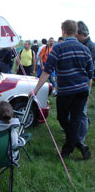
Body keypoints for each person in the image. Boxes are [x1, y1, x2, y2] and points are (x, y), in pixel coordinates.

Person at [31, 20, 93, 160]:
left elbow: (47, 71)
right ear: (76, 31)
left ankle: (70, 148)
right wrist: (88, 91)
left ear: (63, 30)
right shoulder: (85, 49)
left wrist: (35, 90)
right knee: (76, 120)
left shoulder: (58, 48)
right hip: (82, 90)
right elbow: (90, 73)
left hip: (67, 92)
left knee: (62, 117)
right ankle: (76, 146)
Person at [75, 21, 95, 149]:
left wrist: (88, 90)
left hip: (84, 84)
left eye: (76, 34)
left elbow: (90, 72)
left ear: (81, 34)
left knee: (82, 113)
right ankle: (75, 134)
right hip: (78, 83)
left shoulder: (90, 47)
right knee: (76, 111)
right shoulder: (82, 44)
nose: (75, 37)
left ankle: (80, 141)